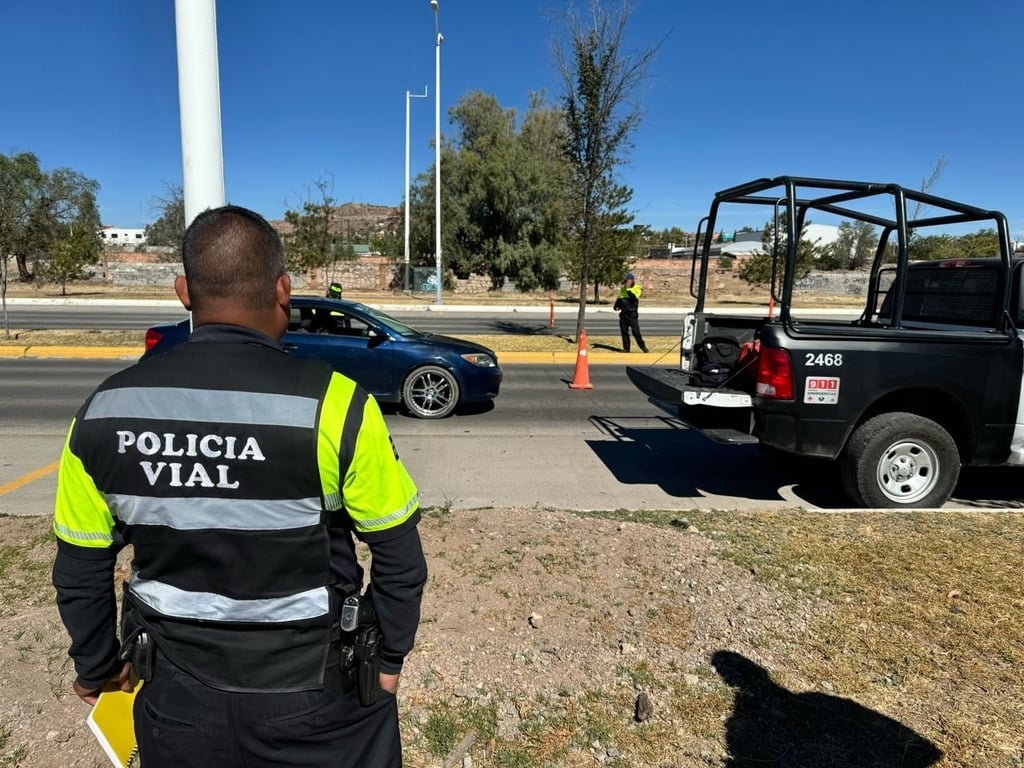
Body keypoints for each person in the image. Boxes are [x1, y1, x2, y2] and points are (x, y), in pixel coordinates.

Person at [52, 205, 427, 768]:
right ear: (284, 289)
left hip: (176, 695)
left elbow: (79, 568)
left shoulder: (103, 411)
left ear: (184, 292)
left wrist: (98, 665)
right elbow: (399, 555)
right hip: (318, 695)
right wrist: (390, 659)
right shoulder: (338, 405)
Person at [613, 272, 648, 353]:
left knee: (636, 332)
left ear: (631, 280)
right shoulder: (623, 288)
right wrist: (616, 305)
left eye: (627, 281)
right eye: (625, 281)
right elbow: (620, 298)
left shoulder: (637, 288)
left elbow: (633, 299)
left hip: (632, 314)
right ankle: (626, 348)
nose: (626, 283)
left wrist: (628, 289)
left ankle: (643, 347)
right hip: (624, 313)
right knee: (624, 332)